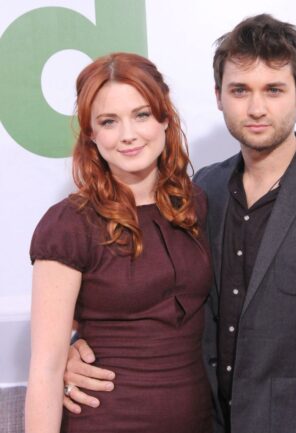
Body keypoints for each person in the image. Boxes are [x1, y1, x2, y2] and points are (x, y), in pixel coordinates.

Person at [63, 14, 296, 433]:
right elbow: (157, 298)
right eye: (240, 90)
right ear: (218, 96)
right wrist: (76, 351)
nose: (256, 108)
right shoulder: (199, 191)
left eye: (274, 90)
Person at [25, 52, 212, 432]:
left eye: (141, 115)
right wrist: (66, 355)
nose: (128, 134)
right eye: (109, 121)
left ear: (164, 119)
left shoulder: (195, 205)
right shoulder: (70, 224)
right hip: (106, 420)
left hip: (197, 419)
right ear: (92, 135)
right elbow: (45, 368)